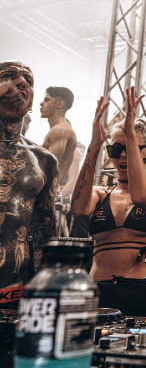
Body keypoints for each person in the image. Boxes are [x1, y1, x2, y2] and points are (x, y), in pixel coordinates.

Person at [71, 87, 146, 317]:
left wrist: (130, 134)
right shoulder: (101, 194)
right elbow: (78, 208)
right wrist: (94, 145)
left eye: (128, 148)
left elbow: (141, 197)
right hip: (97, 290)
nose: (122, 155)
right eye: (115, 149)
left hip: (139, 291)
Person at [0, 61, 57, 308]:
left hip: (14, 294)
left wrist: (46, 291)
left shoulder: (44, 160)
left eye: (28, 82)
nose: (21, 84)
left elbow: (46, 236)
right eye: (8, 77)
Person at [40, 87, 77, 181]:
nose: (41, 104)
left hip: (46, 188)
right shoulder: (62, 129)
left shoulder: (60, 130)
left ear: (59, 104)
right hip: (50, 188)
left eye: (47, 100)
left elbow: (50, 169)